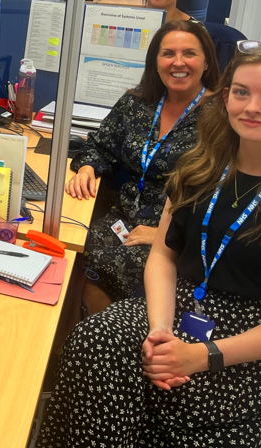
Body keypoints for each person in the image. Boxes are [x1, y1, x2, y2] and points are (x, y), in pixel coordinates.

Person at [39, 42, 261, 447]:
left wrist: (201, 355)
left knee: (185, 404)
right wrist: (158, 331)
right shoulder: (197, 169)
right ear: (226, 98)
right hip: (177, 306)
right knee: (94, 340)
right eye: (241, 92)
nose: (252, 106)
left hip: (250, 335)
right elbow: (163, 258)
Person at [66, 20, 220, 310]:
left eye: (189, 53)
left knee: (103, 263)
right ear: (155, 61)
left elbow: (221, 197)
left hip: (174, 236)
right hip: (121, 218)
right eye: (167, 54)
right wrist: (87, 167)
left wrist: (168, 235)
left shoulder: (221, 117)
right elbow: (100, 144)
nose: (178, 62)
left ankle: (103, 340)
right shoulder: (137, 102)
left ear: (207, 62)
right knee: (69, 243)